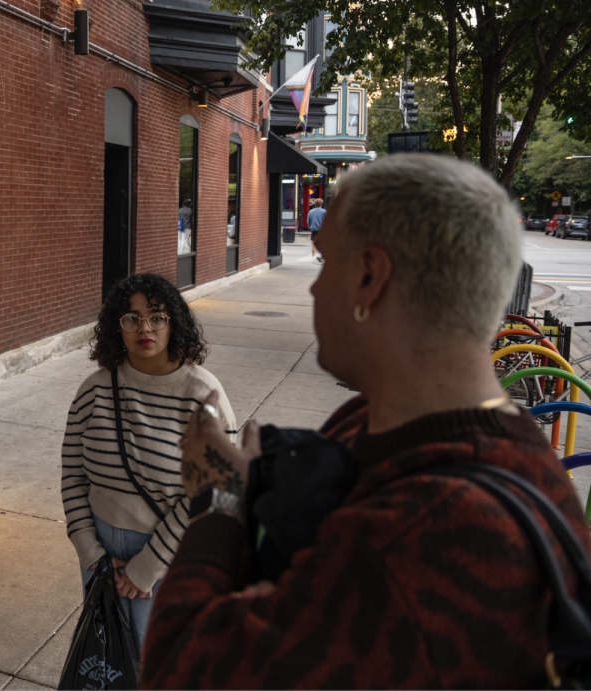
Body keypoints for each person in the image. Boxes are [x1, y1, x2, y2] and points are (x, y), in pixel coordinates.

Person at [142, 154, 591, 688]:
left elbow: (180, 669)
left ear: (371, 277)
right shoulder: (423, 425)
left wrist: (219, 499)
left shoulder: (422, 537)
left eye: (327, 262)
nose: (313, 288)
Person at [62, 273, 237, 651]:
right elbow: (72, 476)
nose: (145, 328)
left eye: (157, 316)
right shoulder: (94, 390)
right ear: (117, 327)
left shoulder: (203, 395)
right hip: (100, 550)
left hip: (171, 556)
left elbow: (216, 495)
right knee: (107, 660)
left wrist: (148, 567)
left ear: (174, 323)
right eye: (132, 318)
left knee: (160, 662)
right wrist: (93, 556)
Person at [307, 196, 326, 263]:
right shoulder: (324, 211)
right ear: (321, 204)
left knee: (313, 244)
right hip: (322, 230)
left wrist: (310, 227)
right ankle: (320, 255)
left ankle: (313, 258)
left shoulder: (311, 212)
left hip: (314, 229)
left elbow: (308, 221)